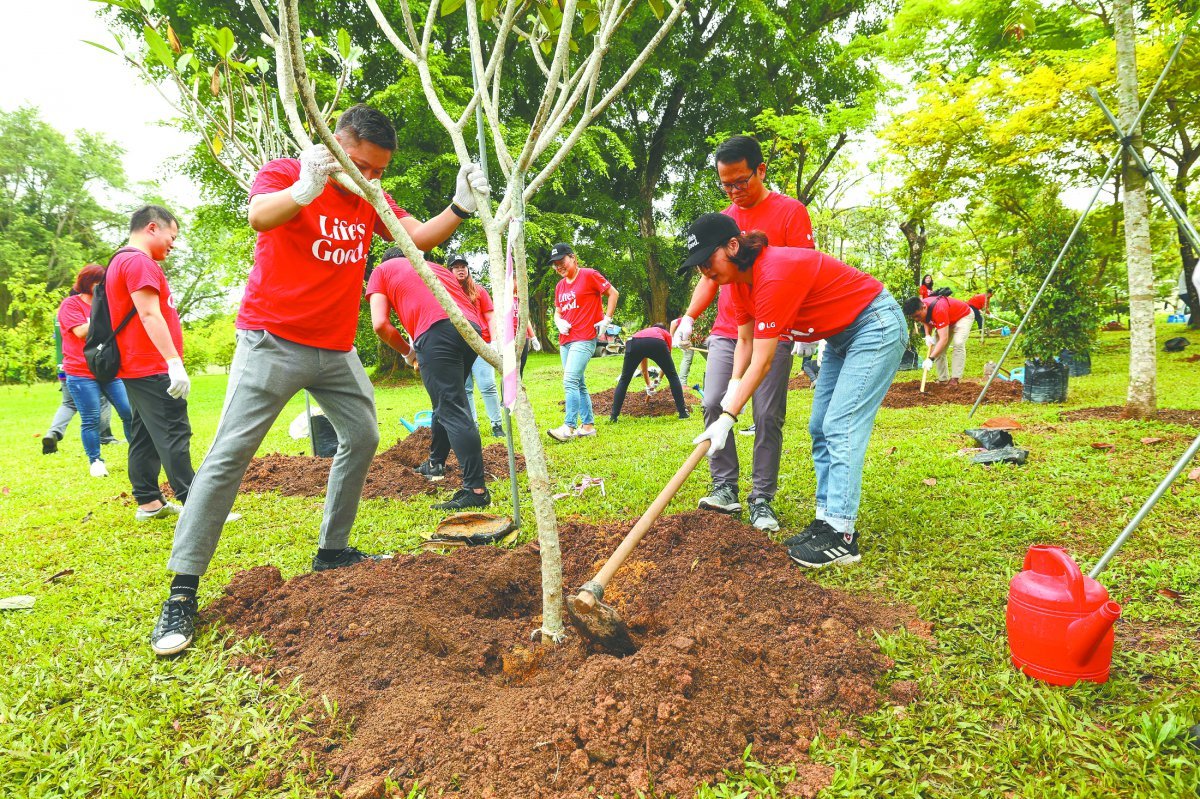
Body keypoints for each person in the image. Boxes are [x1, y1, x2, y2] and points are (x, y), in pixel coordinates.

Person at [149, 104, 489, 657]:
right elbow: (260, 215)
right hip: (271, 342)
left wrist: (460, 206)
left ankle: (332, 550)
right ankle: (183, 590)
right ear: (335, 144)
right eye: (361, 165)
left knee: (364, 436)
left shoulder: (369, 195)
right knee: (229, 456)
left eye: (379, 171)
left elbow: (416, 239)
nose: (369, 178)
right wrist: (306, 189)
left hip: (334, 351)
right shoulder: (287, 173)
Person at [682, 213, 906, 569]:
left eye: (709, 261)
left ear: (733, 246)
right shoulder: (738, 284)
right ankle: (826, 521)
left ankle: (842, 536)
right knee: (820, 427)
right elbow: (744, 340)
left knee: (841, 424)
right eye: (699, 267)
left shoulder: (773, 273)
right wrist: (733, 386)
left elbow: (765, 359)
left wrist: (727, 417)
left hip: (873, 325)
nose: (705, 272)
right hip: (837, 336)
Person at [672, 135, 813, 533]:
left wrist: (803, 326)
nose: (734, 191)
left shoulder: (790, 213)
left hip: (774, 329)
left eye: (741, 181)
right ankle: (724, 488)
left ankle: (762, 498)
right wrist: (688, 315)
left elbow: (804, 268)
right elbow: (712, 276)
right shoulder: (724, 218)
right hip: (730, 327)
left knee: (766, 414)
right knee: (715, 401)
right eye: (726, 184)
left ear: (761, 170)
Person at [369, 250, 491, 510]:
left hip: (436, 331)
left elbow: (379, 324)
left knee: (452, 406)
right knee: (445, 401)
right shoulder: (435, 267)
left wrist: (408, 352)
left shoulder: (382, 271)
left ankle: (476, 490)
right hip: (471, 329)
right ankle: (435, 462)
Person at [105, 205, 197, 523]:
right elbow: (148, 314)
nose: (173, 244)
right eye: (172, 236)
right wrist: (173, 362)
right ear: (153, 228)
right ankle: (198, 507)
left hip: (136, 367)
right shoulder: (138, 262)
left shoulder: (121, 260)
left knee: (144, 435)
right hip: (152, 365)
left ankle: (149, 503)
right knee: (173, 433)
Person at [57, 264, 134, 477]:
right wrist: (103, 316)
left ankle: (136, 455)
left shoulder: (109, 303)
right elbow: (81, 331)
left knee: (129, 412)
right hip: (80, 371)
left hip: (109, 369)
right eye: (100, 282)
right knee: (91, 418)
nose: (104, 286)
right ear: (88, 282)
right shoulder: (70, 305)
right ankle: (96, 461)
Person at [548, 243, 618, 441]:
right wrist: (558, 321)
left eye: (562, 261)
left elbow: (613, 293)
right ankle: (587, 426)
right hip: (566, 340)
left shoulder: (589, 275)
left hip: (585, 337)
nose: (559, 267)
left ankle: (568, 427)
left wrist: (607, 319)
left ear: (573, 258)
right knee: (578, 383)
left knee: (570, 380)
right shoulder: (560, 286)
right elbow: (558, 310)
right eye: (555, 264)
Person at [448, 253, 504, 438]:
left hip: (482, 343)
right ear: (450, 271)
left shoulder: (479, 290)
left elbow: (490, 316)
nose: (460, 269)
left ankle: (496, 425)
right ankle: (473, 425)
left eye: (463, 266)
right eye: (456, 267)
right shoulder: (446, 292)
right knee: (465, 388)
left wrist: (494, 341)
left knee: (487, 385)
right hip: (458, 345)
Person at [609, 324, 690, 421]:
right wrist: (657, 380)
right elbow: (667, 367)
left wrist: (651, 383)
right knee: (672, 376)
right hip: (656, 343)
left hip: (633, 342)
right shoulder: (665, 334)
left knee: (624, 379)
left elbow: (643, 365)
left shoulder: (643, 333)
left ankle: (613, 416)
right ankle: (682, 413)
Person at [904, 294, 974, 386]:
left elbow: (943, 339)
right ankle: (943, 379)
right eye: (914, 317)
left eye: (917, 316)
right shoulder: (921, 308)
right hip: (946, 318)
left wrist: (930, 359)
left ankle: (955, 379)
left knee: (958, 343)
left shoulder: (939, 309)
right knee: (938, 348)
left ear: (924, 307)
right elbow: (925, 320)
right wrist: (928, 335)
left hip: (962, 316)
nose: (917, 319)